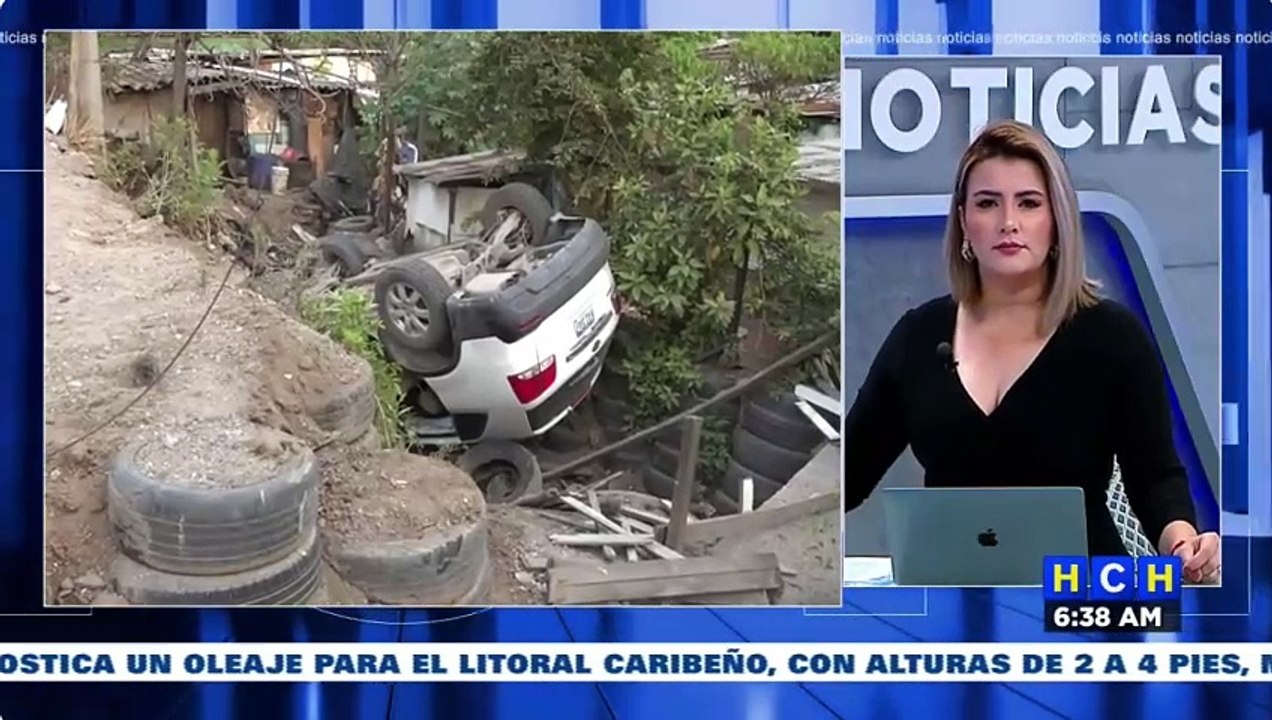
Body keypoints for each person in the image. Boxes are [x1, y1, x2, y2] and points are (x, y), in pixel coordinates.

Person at [843, 119, 1221, 583]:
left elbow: (1155, 477)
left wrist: (1182, 543)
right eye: (987, 203)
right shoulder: (918, 336)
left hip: (1083, 595)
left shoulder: (1111, 337)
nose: (1009, 222)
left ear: (1056, 220)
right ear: (963, 221)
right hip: (951, 596)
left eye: (1028, 203)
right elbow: (849, 475)